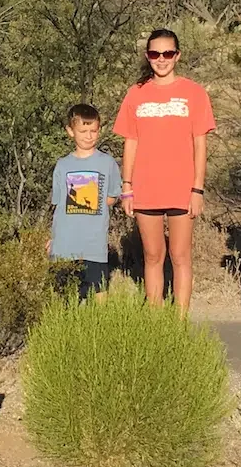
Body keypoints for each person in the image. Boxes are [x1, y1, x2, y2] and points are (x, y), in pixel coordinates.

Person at [113, 28, 216, 312]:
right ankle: (156, 320)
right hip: (146, 188)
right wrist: (127, 187)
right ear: (148, 56)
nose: (161, 59)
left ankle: (180, 321)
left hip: (183, 188)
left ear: (177, 55)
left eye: (167, 53)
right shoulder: (135, 94)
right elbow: (130, 142)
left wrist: (197, 188)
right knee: (152, 255)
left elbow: (200, 145)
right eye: (155, 54)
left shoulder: (194, 93)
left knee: (181, 255)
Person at [49, 103, 121, 300]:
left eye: (93, 130)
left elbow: (111, 197)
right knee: (63, 297)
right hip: (64, 245)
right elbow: (58, 206)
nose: (89, 135)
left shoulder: (108, 163)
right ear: (70, 131)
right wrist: (52, 238)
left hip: (94, 244)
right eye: (83, 130)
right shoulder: (63, 165)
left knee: (99, 293)